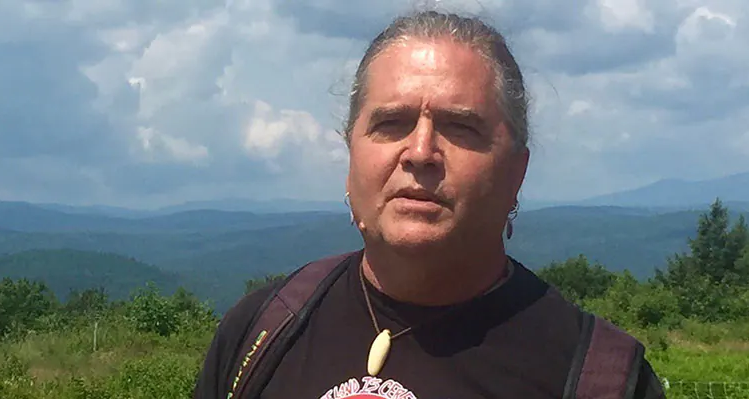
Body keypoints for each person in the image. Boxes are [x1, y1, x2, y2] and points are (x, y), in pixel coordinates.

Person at [193, 10, 666, 399]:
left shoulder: (598, 379)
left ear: (517, 172)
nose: (420, 152)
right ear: (351, 156)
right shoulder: (260, 331)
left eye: (460, 127)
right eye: (392, 122)